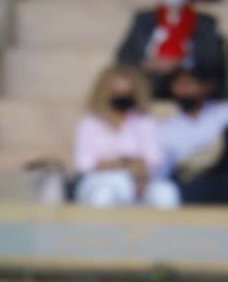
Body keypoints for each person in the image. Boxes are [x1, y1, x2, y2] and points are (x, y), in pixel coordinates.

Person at [116, 0, 226, 98]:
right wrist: (147, 64)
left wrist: (178, 61)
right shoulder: (143, 20)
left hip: (188, 84)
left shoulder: (204, 23)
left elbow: (211, 58)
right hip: (148, 81)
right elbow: (124, 55)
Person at [72, 65, 179, 208]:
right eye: (117, 93)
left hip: (141, 180)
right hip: (99, 182)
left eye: (126, 93)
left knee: (165, 192)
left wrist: (138, 172)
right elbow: (84, 164)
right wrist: (121, 163)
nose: (121, 97)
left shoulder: (144, 122)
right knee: (108, 191)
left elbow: (155, 159)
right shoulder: (90, 123)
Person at [157, 67, 228, 205]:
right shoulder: (167, 126)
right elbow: (166, 168)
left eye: (189, 84)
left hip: (226, 174)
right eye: (179, 85)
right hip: (191, 180)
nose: (184, 90)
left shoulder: (227, 111)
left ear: (204, 87)